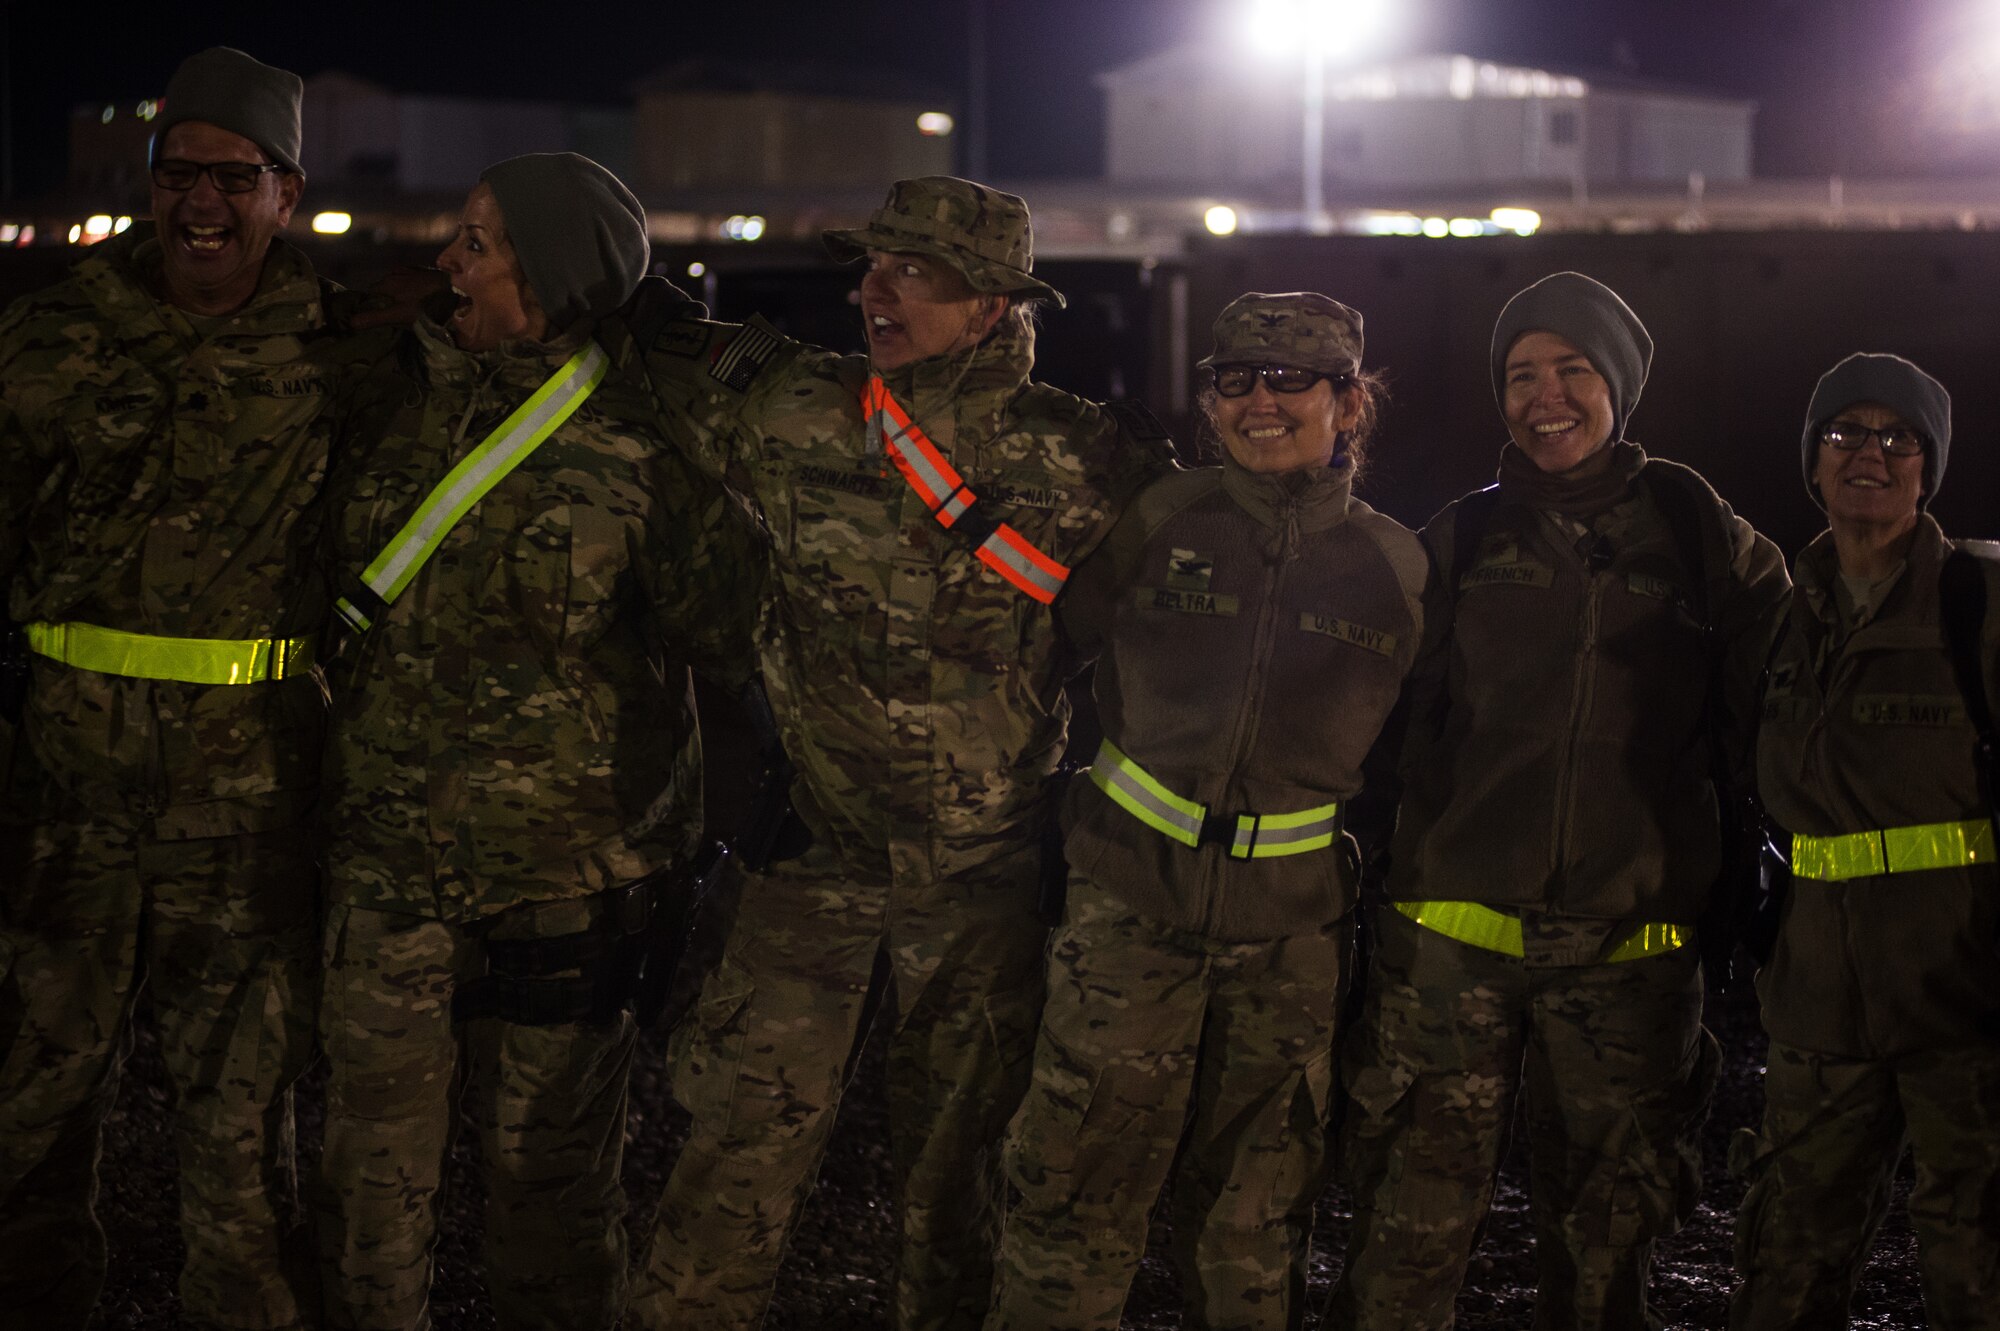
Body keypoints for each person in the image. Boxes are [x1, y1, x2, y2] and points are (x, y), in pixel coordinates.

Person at [625, 176, 1177, 1331]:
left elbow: (1213, 580)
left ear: (990, 304)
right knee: (730, 1159)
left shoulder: (1086, 462)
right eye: (871, 267)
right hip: (811, 859)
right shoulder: (786, 408)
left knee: (956, 1181)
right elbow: (631, 335)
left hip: (978, 886)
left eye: (913, 272)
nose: (876, 291)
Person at [309, 153, 758, 1331]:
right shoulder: (379, 400)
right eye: (458, 237)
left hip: (571, 886)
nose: (448, 263)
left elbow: (733, 635)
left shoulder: (648, 453)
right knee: (368, 1191)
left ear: (553, 277)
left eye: (480, 243)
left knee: (550, 1199)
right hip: (385, 865)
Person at [0, 47, 384, 1330]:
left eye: (233, 176)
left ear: (287, 189)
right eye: (178, 175)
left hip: (249, 806)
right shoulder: (47, 340)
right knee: (31, 1106)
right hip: (65, 805)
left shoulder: (349, 356)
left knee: (240, 1127)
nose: (200, 203)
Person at [1329, 271, 1790, 1330]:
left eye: (1570, 370)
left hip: (1627, 949)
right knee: (1405, 1236)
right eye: (1520, 375)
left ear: (1618, 385)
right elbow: (1373, 714)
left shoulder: (1697, 533)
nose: (1544, 396)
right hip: (1448, 947)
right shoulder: (1460, 536)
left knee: (1605, 1247)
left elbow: (1797, 682)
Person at [983, 292, 1424, 1330]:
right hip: (1126, 908)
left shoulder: (1396, 568)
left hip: (1289, 934)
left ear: (1348, 403)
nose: (1257, 402)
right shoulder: (1158, 515)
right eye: (1233, 380)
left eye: (1289, 380)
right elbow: (1046, 647)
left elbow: (1418, 750)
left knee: (1253, 1226)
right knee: (1070, 1199)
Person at [1730, 354, 2000, 1331]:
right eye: (1845, 432)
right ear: (1812, 460)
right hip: (1814, 1005)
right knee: (1785, 1260)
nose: (1869, 454)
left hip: (1960, 996)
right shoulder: (1773, 612)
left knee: (1975, 1261)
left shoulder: (1979, 600)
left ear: (1926, 466)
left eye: (1897, 437)